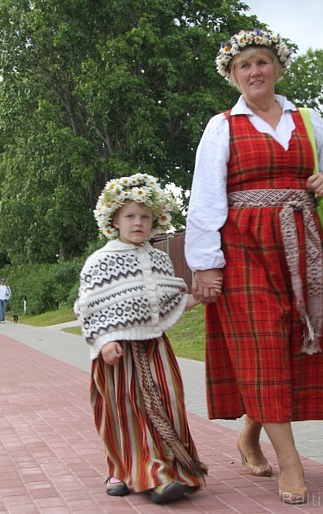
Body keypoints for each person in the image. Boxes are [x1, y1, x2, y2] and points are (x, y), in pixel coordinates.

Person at [184, 29, 323, 505]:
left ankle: (249, 435)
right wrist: (204, 265)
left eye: (261, 62)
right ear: (233, 76)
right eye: (244, 66)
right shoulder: (222, 126)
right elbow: (204, 201)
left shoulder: (308, 120)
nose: (254, 72)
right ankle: (291, 464)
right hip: (243, 248)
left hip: (303, 246)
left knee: (286, 346)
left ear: (277, 68)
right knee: (262, 344)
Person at [74, 173, 218, 504]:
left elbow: (171, 297)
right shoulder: (101, 261)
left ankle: (167, 471)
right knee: (124, 410)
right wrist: (105, 340)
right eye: (130, 216)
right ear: (114, 219)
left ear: (154, 220)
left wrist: (200, 296)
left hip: (155, 347)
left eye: (145, 216)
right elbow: (90, 308)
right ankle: (123, 470)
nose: (138, 223)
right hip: (117, 352)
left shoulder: (158, 258)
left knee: (167, 403)